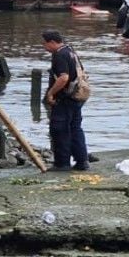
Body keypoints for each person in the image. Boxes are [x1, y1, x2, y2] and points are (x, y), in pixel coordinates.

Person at [42, 30, 89, 171]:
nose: (44, 47)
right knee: (75, 128)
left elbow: (63, 78)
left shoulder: (59, 55)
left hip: (65, 98)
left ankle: (62, 163)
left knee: (59, 129)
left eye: (45, 44)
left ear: (52, 42)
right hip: (77, 96)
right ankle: (82, 161)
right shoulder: (70, 51)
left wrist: (50, 93)